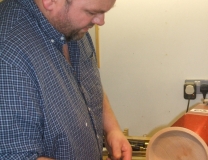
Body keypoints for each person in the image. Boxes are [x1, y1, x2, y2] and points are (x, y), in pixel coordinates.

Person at [0, 0, 132, 159]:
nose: (101, 22)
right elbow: (16, 157)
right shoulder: (8, 56)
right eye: (92, 12)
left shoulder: (70, 25)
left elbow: (87, 84)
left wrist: (112, 129)